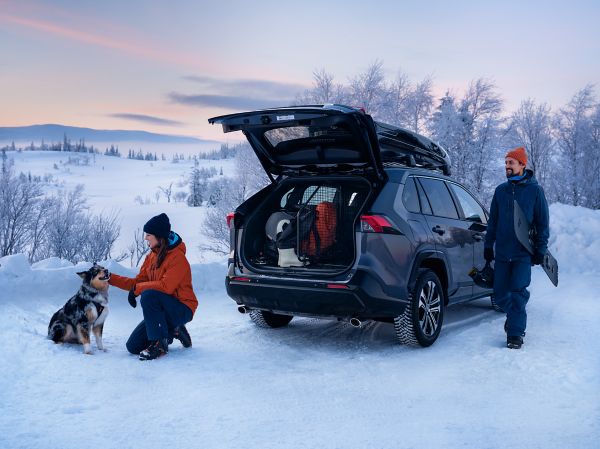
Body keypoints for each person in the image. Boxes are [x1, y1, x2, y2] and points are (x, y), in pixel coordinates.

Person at [484, 146, 549, 349]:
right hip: (503, 252)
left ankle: (515, 334)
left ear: (522, 164)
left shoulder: (535, 191)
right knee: (501, 294)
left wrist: (540, 249)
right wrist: (488, 245)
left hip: (522, 253)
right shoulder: (500, 191)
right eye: (506, 163)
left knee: (518, 292)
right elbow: (492, 221)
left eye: (511, 163)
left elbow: (542, 223)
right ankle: (513, 317)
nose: (507, 167)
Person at [109, 213, 198, 360]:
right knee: (133, 346)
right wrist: (110, 278)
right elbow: (137, 283)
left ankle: (160, 345)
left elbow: (166, 286)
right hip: (163, 309)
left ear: (159, 236)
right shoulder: (151, 257)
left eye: (148, 235)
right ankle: (175, 329)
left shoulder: (178, 258)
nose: (145, 238)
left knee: (149, 295)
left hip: (182, 308)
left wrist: (138, 290)